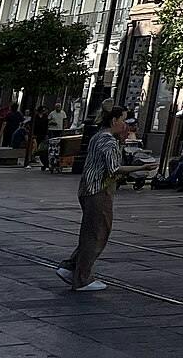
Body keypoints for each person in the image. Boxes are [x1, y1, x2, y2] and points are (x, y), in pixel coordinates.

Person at [57, 106, 128, 293]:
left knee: (90, 232)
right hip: (99, 191)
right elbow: (114, 168)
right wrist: (142, 169)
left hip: (87, 188)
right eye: (123, 120)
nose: (125, 125)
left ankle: (70, 267)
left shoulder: (97, 136)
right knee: (97, 234)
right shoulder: (108, 141)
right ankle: (82, 279)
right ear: (114, 121)